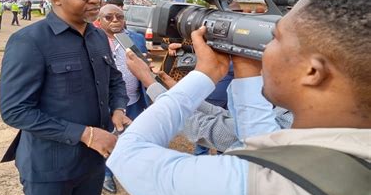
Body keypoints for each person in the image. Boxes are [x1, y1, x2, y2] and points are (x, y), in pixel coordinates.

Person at [107, 0, 371, 195]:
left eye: (275, 37)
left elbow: (128, 154)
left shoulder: (263, 186)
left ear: (313, 72)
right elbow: (264, 144)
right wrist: (246, 73)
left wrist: (203, 76)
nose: (265, 48)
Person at [0, 0, 131, 195]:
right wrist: (86, 134)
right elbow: (15, 111)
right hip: (50, 167)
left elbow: (114, 80)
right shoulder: (29, 42)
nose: (95, 0)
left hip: (92, 162)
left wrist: (118, 108)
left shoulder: (98, 36)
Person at [125, 52, 293, 152]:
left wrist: (149, 81)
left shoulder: (295, 123)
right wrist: (178, 90)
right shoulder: (295, 107)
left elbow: (213, 130)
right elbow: (226, 119)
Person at [97, 3, 150, 194]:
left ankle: (129, 170)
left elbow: (143, 64)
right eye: (109, 17)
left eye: (119, 17)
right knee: (108, 139)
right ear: (99, 19)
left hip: (135, 100)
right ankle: (106, 173)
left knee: (131, 138)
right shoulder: (93, 39)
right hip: (107, 104)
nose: (115, 21)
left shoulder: (135, 38)